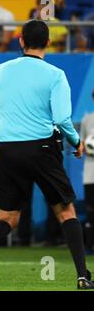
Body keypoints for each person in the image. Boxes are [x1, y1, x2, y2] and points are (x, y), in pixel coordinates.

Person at [0, 20, 94, 289]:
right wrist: (76, 141)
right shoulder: (55, 74)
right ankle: (83, 276)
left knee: (8, 218)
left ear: (21, 41)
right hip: (42, 148)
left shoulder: (1, 71)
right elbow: (62, 118)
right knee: (65, 212)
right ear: (48, 42)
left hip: (7, 149)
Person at [80, 90, 94, 254]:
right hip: (90, 174)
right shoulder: (87, 120)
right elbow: (82, 145)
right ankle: (89, 244)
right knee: (91, 209)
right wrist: (87, 148)